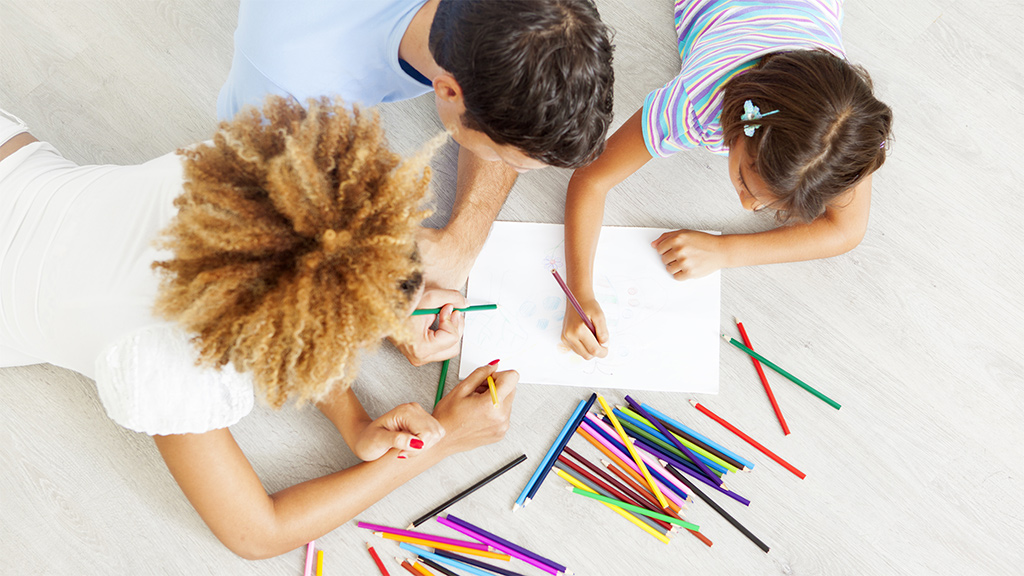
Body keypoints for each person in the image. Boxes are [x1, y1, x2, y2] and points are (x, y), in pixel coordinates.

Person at [0, 97, 518, 559]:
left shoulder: (250, 177)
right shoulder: (163, 362)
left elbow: (297, 270)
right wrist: (445, 439)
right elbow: (257, 534)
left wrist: (357, 419)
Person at [560, 0, 894, 359]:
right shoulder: (694, 104)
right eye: (745, 183)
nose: (749, 207)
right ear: (737, 127)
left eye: (768, 204)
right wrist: (578, 291)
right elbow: (591, 178)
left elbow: (847, 231)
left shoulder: (842, 130)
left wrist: (726, 250)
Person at [218, 0, 616, 294]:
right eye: (510, 160)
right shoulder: (282, 100)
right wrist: (389, 311)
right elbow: (269, 255)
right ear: (446, 89)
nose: (510, 165)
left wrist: (462, 242)